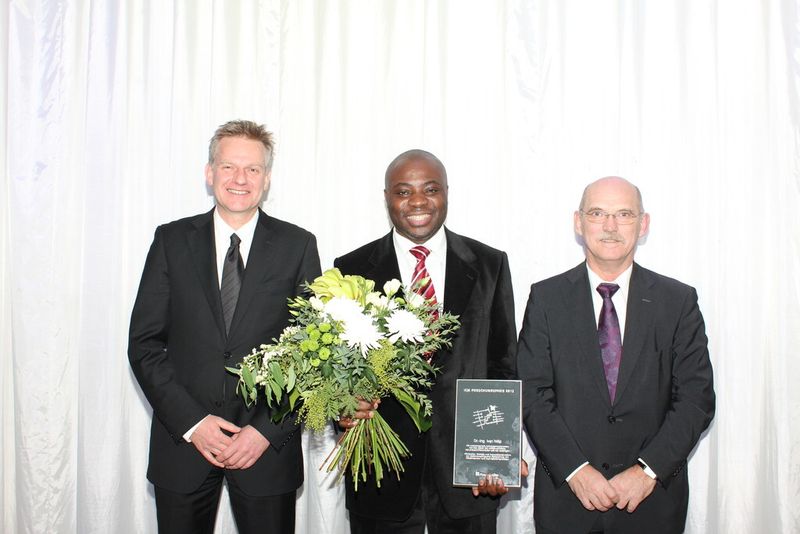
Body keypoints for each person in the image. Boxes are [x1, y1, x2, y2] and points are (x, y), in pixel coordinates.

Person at [128, 120, 321, 533]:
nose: (240, 179)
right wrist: (194, 424)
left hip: (265, 450)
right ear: (209, 172)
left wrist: (265, 431)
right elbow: (144, 344)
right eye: (229, 166)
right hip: (183, 445)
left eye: (253, 169)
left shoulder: (298, 245)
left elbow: (312, 352)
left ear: (266, 179)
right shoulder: (171, 240)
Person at [335, 149, 520, 534]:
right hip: (381, 473)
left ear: (447, 192)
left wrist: (497, 454)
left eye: (430, 189)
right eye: (404, 191)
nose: (418, 201)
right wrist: (344, 406)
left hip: (469, 475)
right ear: (386, 197)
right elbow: (338, 370)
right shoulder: (350, 269)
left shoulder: (490, 264)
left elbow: (503, 366)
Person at [517, 176, 715, 534]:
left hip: (651, 505)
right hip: (567, 504)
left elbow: (696, 399)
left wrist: (647, 471)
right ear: (579, 223)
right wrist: (576, 470)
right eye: (597, 213)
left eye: (624, 214)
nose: (610, 226)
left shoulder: (678, 302)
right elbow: (531, 394)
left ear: (643, 224)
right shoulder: (546, 299)